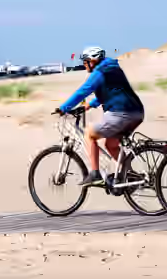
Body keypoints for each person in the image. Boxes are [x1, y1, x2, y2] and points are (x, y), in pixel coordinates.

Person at [54, 46, 145, 188]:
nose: (84, 65)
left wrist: (63, 108)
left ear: (93, 60)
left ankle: (95, 173)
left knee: (89, 134)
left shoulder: (99, 73)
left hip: (121, 113)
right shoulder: (113, 68)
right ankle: (132, 176)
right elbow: (114, 91)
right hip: (137, 112)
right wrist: (90, 105)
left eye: (86, 62)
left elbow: (82, 92)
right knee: (111, 145)